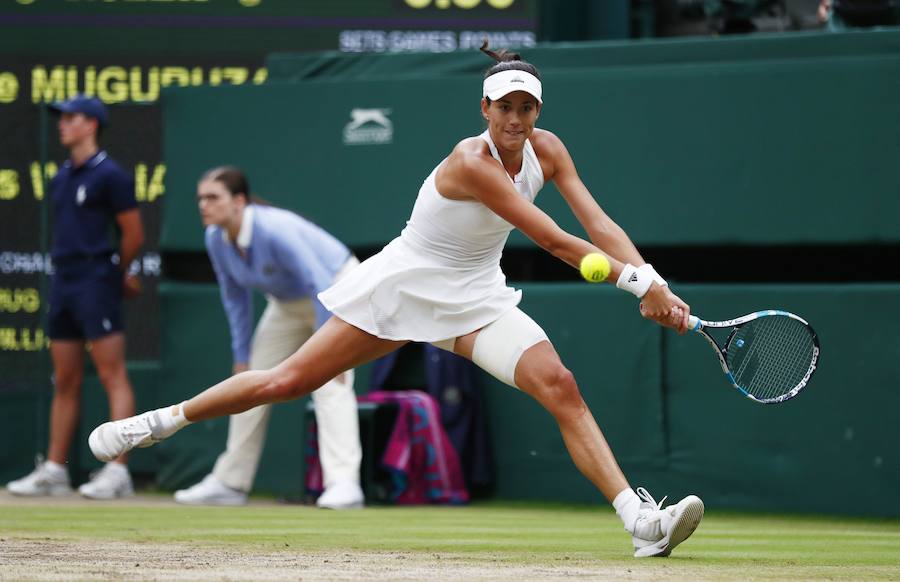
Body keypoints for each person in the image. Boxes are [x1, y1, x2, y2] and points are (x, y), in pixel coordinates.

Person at [89, 44, 704, 557]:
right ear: (485, 108)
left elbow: (597, 223)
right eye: (504, 107)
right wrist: (637, 286)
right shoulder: (470, 162)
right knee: (286, 381)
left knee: (560, 385)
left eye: (526, 107)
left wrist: (657, 283)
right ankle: (159, 423)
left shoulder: (549, 150)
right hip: (403, 287)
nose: (516, 119)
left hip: (476, 296)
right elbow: (551, 239)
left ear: (537, 110)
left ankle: (640, 523)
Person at [173, 167, 363, 509]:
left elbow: (319, 280)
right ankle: (230, 482)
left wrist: (331, 351)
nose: (203, 205)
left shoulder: (274, 230)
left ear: (239, 201)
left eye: (213, 197)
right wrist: (241, 355)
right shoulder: (215, 238)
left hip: (336, 289)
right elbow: (234, 298)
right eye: (200, 198)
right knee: (250, 382)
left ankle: (344, 484)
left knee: (330, 382)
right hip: (287, 304)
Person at [7, 94, 144, 499]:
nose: (62, 124)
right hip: (64, 282)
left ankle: (118, 471)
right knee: (64, 379)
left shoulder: (111, 176)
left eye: (71, 118)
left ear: (92, 125)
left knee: (112, 374)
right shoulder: (61, 177)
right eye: (61, 118)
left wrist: (115, 273)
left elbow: (134, 234)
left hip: (96, 280)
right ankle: (55, 470)